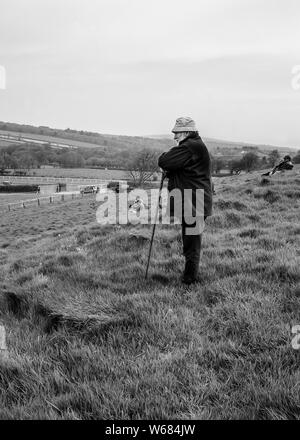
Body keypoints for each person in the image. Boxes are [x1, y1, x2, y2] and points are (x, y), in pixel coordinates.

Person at [158, 117, 213, 285]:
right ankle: (189, 275)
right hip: (193, 201)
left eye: (177, 133)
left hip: (194, 203)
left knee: (191, 242)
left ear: (187, 132)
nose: (174, 137)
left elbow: (164, 161)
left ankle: (190, 279)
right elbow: (183, 170)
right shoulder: (194, 146)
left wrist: (164, 160)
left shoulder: (190, 146)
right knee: (190, 239)